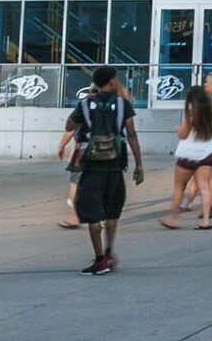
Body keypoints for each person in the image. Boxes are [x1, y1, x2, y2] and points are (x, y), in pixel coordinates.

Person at [58, 65, 144, 274]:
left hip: (91, 167)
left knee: (93, 215)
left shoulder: (85, 104)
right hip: (115, 166)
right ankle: (109, 252)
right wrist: (139, 164)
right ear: (112, 82)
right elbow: (131, 134)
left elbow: (70, 125)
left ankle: (99, 260)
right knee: (112, 211)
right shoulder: (123, 105)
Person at [168, 77, 212, 226]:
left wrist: (178, 129)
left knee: (179, 187)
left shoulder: (191, 113)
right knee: (205, 186)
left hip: (188, 154)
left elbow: (184, 134)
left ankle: (173, 218)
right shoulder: (210, 113)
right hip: (206, 152)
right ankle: (206, 220)